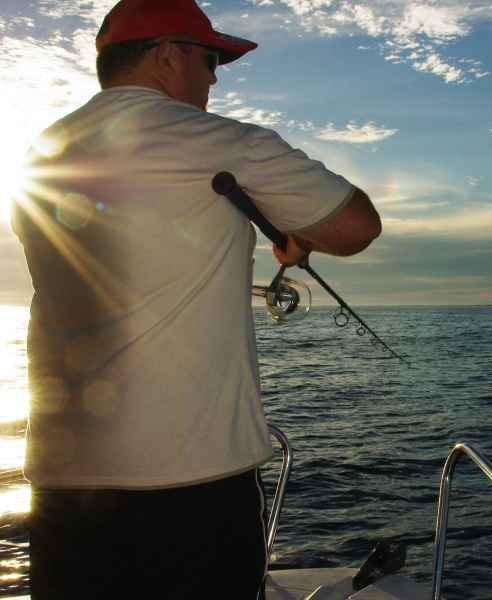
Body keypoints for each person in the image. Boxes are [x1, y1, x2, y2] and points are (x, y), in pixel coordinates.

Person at [11, 0, 381, 597]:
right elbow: (357, 225)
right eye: (210, 60)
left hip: (64, 481)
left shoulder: (41, 154)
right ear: (167, 55)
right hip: (191, 476)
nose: (213, 77)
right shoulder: (222, 142)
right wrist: (301, 236)